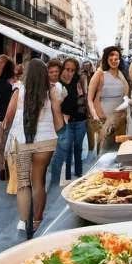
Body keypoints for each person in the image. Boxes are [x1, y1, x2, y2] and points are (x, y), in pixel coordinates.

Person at [3, 59, 63, 236]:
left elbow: (9, 116)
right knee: (39, 181)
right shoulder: (51, 90)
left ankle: (24, 222)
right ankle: (37, 220)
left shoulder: (19, 90)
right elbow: (57, 115)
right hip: (46, 140)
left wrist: (1, 135)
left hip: (23, 141)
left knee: (23, 183)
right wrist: (61, 130)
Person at [50, 58, 89, 187]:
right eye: (67, 69)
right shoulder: (58, 83)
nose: (69, 72)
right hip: (66, 121)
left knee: (78, 148)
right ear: (63, 69)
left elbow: (84, 97)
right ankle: (66, 178)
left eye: (72, 70)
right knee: (67, 150)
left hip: (80, 119)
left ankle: (78, 175)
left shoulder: (79, 80)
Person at [87, 47, 130, 153]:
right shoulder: (100, 74)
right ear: (106, 58)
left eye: (117, 56)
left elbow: (126, 96)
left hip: (120, 120)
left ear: (120, 59)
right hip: (104, 120)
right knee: (104, 151)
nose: (114, 59)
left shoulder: (122, 75)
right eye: (111, 56)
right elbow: (89, 99)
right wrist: (95, 116)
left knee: (119, 151)